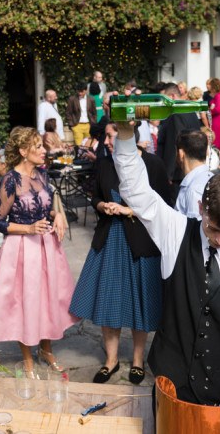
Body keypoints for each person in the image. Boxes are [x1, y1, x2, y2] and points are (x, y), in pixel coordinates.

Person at [112, 117, 220, 406]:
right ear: (201, 208)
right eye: (214, 229)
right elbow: (137, 193)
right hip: (169, 387)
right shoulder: (177, 231)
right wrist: (126, 136)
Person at [70, 123, 170, 385]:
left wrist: (129, 211)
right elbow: (93, 197)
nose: (106, 141)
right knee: (108, 303)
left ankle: (137, 361)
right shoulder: (104, 164)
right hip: (110, 239)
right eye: (106, 136)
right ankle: (111, 361)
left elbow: (164, 207)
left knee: (140, 304)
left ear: (129, 139)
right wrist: (101, 205)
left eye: (111, 136)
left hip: (141, 241)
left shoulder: (153, 164)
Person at [0, 127, 78, 376]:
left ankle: (46, 351)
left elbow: (46, 207)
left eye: (42, 146)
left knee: (48, 299)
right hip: (21, 250)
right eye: (37, 146)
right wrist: (28, 228)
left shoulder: (42, 175)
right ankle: (27, 359)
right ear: (23, 151)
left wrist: (58, 214)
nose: (43, 150)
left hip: (47, 247)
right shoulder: (10, 180)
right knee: (25, 302)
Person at [175, 130, 214, 220]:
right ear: (207, 151)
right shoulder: (211, 178)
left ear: (181, 154)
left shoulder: (194, 190)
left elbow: (194, 231)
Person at [65, 82, 97, 146]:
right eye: (78, 91)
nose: (80, 93)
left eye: (81, 91)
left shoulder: (91, 99)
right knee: (79, 146)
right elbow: (68, 113)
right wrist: (72, 125)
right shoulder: (72, 99)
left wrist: (93, 123)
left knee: (88, 145)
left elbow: (94, 112)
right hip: (77, 125)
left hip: (88, 125)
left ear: (85, 90)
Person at [208, 78, 220, 151]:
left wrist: (209, 112)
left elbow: (218, 109)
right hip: (216, 119)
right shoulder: (218, 95)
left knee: (217, 140)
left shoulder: (219, 95)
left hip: (217, 120)